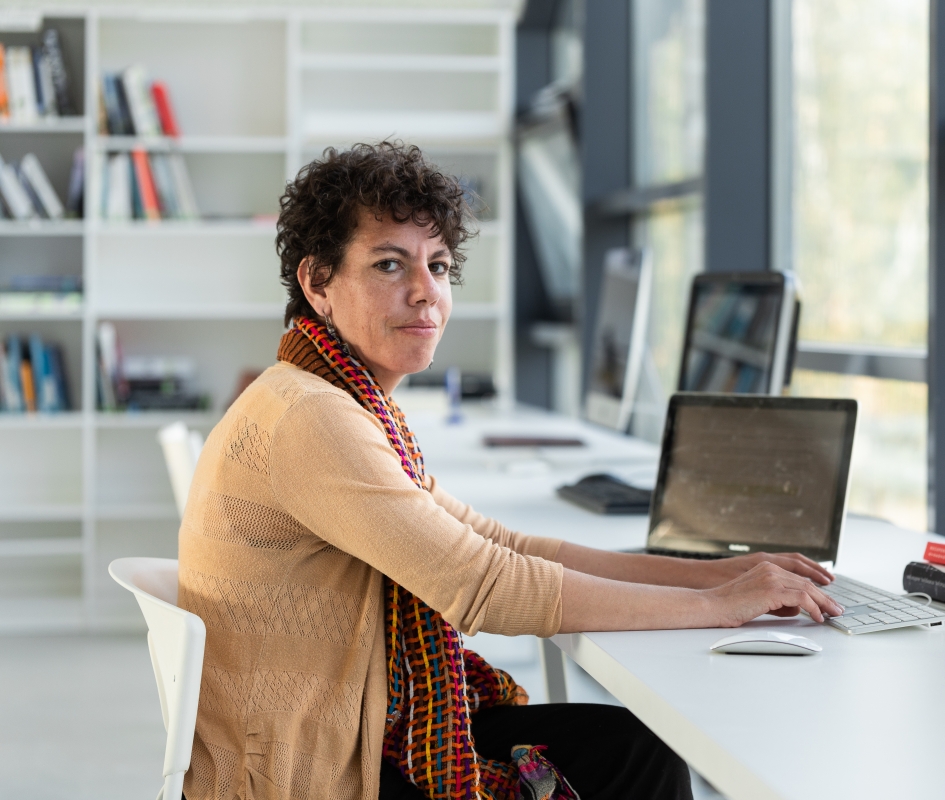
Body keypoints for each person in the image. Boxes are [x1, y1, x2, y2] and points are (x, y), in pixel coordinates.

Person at [176, 141, 843, 800]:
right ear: (318, 282)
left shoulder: (339, 400)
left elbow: (504, 547)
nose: (424, 293)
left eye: (438, 266)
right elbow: (485, 586)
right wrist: (714, 607)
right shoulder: (312, 417)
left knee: (633, 751)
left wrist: (724, 573)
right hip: (312, 771)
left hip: (349, 729)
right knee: (635, 762)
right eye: (389, 265)